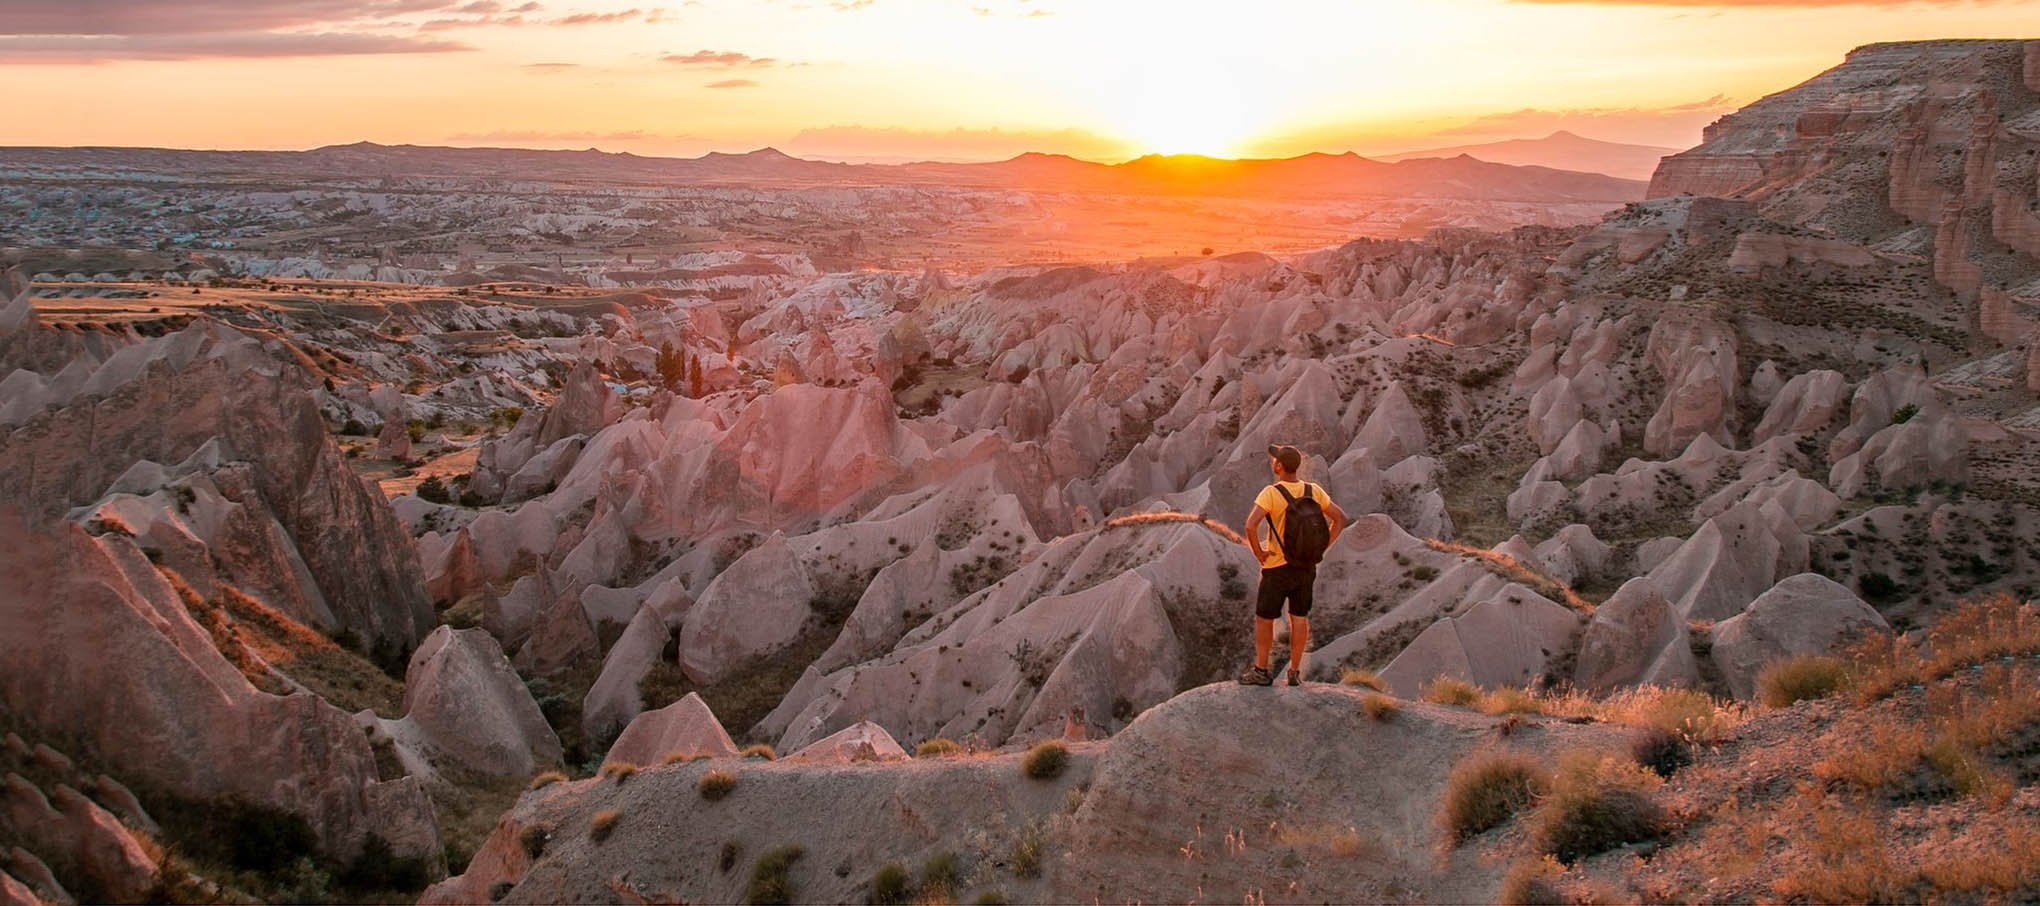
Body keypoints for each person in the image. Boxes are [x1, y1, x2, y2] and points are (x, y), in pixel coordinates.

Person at [1238, 444, 1346, 686]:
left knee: (1264, 619)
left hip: (1277, 568)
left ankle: (1261, 671)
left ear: (1279, 466)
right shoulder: (1313, 491)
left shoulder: (1271, 493)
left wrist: (1259, 553)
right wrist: (1321, 547)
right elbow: (1340, 518)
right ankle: (1295, 672)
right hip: (1306, 567)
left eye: (1275, 460)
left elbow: (1250, 525)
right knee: (1299, 617)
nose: (1273, 462)